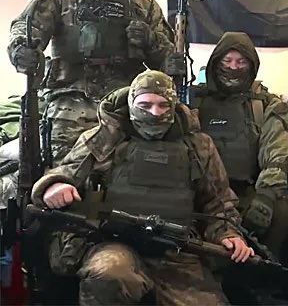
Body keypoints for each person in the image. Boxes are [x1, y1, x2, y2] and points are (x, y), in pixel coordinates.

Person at [29, 70, 254, 305]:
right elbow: (64, 173)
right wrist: (54, 186)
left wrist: (229, 235)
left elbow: (218, 202)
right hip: (113, 244)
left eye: (163, 105)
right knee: (109, 274)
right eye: (145, 105)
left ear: (174, 106)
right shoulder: (104, 139)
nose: (154, 113)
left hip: (176, 251)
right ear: (131, 105)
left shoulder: (198, 146)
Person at [7, 0, 174, 166]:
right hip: (69, 99)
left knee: (120, 172)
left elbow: (170, 62)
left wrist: (150, 40)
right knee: (62, 172)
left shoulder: (145, 4)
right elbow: (28, 26)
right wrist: (21, 49)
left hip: (123, 105)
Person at [190, 31, 288, 258]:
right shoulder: (193, 100)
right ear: (215, 62)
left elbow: (277, 154)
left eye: (241, 62)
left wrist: (266, 196)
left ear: (251, 65)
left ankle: (258, 274)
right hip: (204, 195)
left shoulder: (266, 104)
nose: (233, 67)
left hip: (247, 192)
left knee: (281, 210)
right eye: (227, 61)